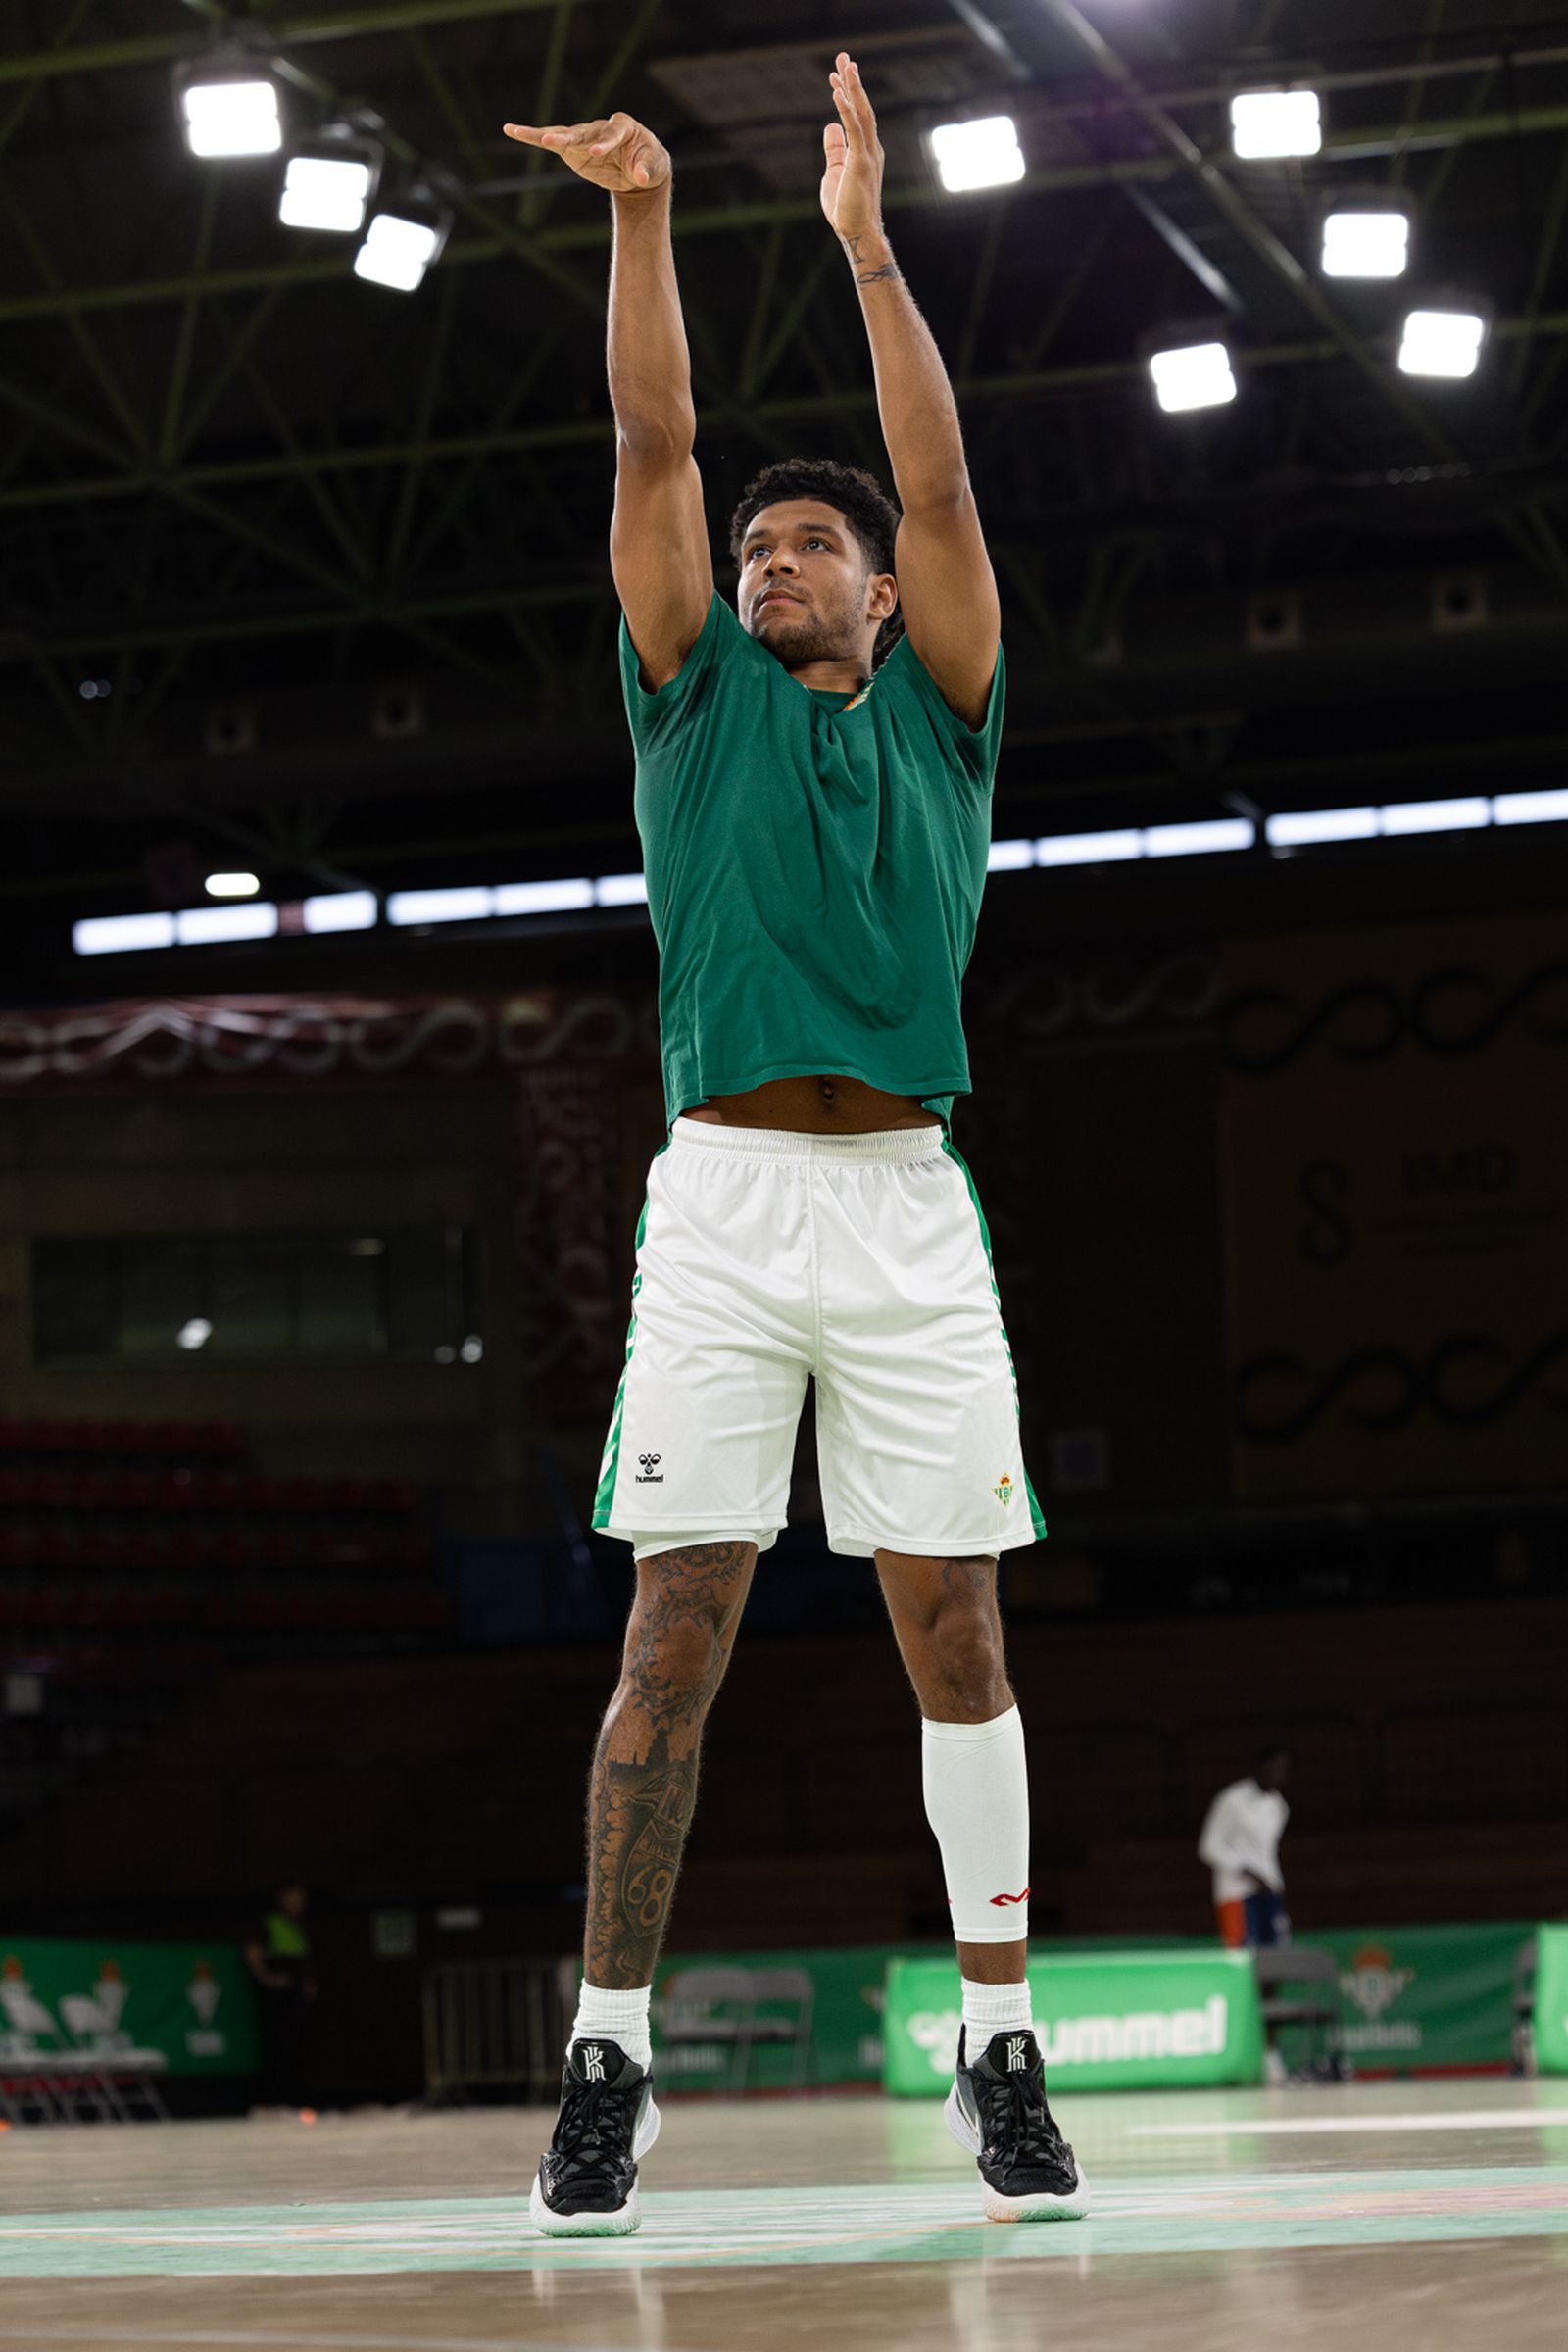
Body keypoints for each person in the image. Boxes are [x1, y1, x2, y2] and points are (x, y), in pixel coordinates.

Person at [503, 53, 1084, 2238]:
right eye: (755, 547)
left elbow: (940, 484)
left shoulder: (945, 707)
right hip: (726, 1213)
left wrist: (863, 248)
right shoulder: (691, 697)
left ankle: (997, 2047)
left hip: (908, 1211)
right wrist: (644, 212)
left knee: (960, 1641)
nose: (767, 561)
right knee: (672, 1639)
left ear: (879, 591)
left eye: (805, 545)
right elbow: (651, 440)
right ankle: (608, 2062)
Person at [1199, 1750, 1292, 1950]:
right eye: (1273, 1768)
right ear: (1259, 1768)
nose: (1278, 1774)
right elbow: (1209, 1846)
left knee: (1276, 1954)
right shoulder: (1232, 1800)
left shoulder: (1279, 1806)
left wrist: (1275, 1883)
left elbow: (1269, 1851)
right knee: (1242, 1955)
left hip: (1269, 1889)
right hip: (1236, 1892)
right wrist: (1247, 1872)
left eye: (1283, 1769)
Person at [243, 1882, 318, 2114]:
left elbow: (302, 1960)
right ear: (282, 1898)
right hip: (278, 1997)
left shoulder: (297, 1927)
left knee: (296, 2046)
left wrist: (308, 1983)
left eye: (301, 1899)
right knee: (277, 2046)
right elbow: (253, 1951)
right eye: (293, 1897)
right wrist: (266, 1978)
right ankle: (273, 2101)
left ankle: (294, 2100)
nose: (298, 1903)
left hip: (297, 1997)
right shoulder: (270, 1923)